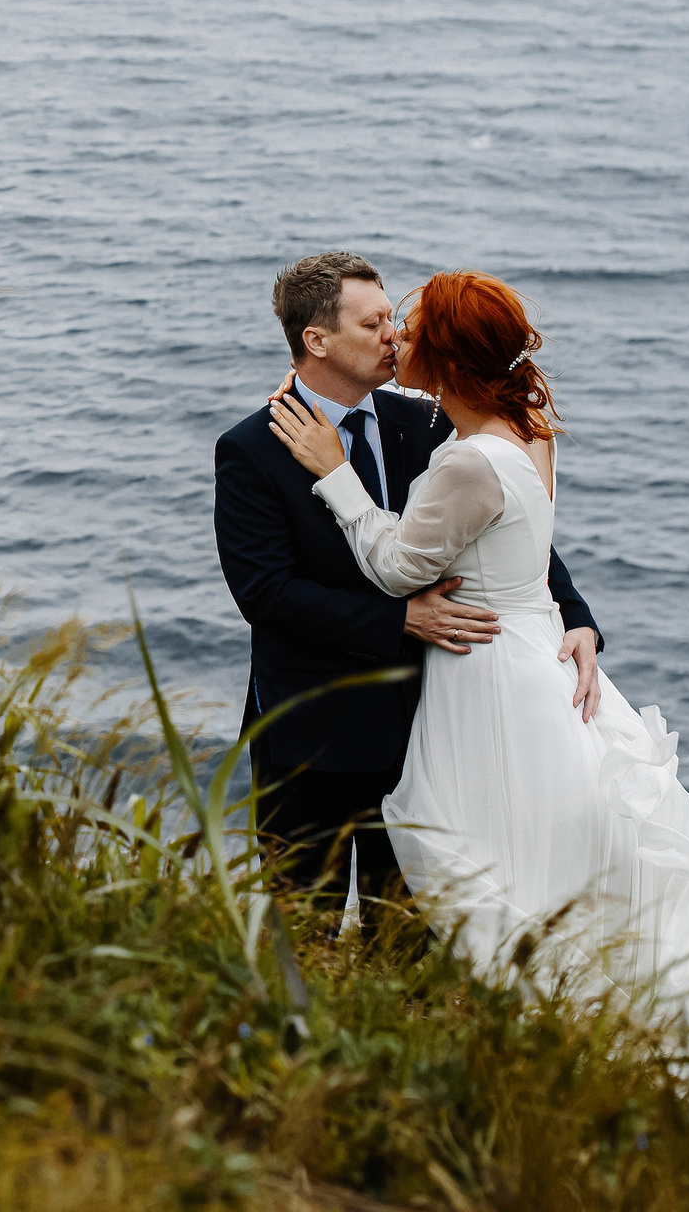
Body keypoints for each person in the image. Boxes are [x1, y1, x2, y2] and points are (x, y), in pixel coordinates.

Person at [267, 268, 689, 1062]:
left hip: (487, 673)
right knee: (547, 850)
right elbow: (522, 545)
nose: (396, 337)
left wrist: (335, 473)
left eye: (407, 325)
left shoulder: (467, 459)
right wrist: (571, 619)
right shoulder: (527, 426)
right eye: (381, 323)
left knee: (490, 847)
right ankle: (571, 1023)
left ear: (444, 353)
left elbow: (402, 569)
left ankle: (541, 1028)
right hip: (532, 654)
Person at [215, 252, 604, 908]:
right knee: (302, 928)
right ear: (317, 340)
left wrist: (576, 615)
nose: (394, 334)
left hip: (433, 730)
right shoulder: (252, 448)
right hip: (316, 735)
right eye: (374, 324)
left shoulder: (426, 422)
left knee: (414, 930)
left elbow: (504, 521)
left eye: (394, 317)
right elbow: (266, 594)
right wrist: (399, 621)